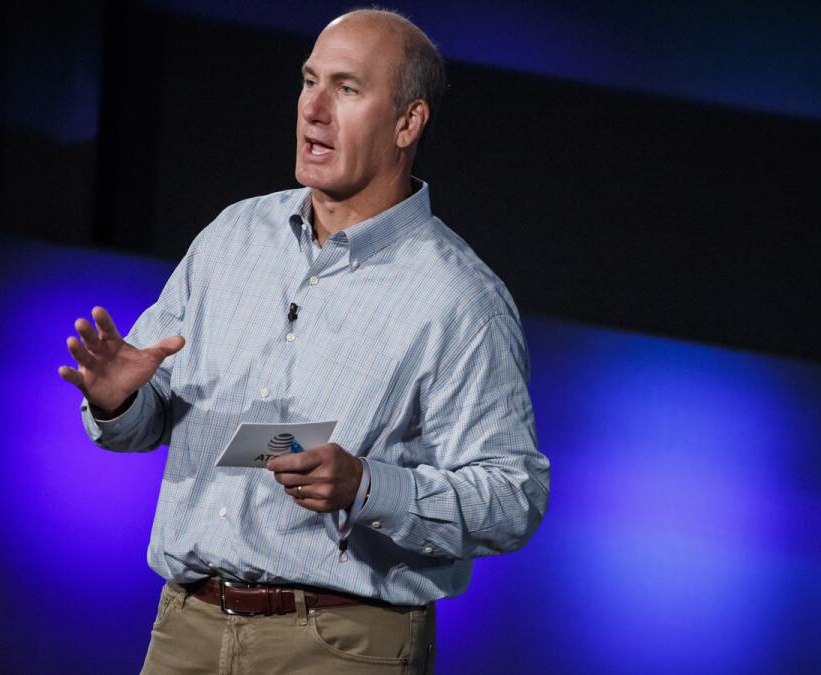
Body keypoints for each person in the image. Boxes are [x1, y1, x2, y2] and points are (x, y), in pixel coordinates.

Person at [59, 9, 549, 673]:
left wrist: (368, 485)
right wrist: (122, 402)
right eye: (308, 80)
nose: (313, 109)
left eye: (347, 89)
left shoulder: (460, 300)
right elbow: (151, 423)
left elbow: (512, 497)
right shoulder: (232, 237)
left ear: (408, 123)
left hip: (339, 647)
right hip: (187, 629)